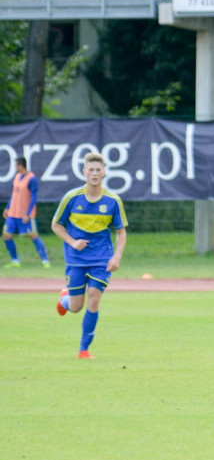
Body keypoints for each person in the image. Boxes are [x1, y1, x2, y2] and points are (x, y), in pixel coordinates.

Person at [51, 152, 128, 359]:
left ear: (104, 173)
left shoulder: (112, 201)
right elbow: (56, 225)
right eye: (91, 170)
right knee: (76, 307)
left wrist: (117, 257)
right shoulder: (72, 198)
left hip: (101, 260)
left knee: (94, 300)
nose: (94, 173)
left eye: (98, 170)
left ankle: (83, 350)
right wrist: (72, 242)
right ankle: (64, 299)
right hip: (76, 260)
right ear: (84, 172)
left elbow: (121, 232)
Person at [3, 156, 51, 269]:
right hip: (12, 214)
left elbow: (33, 198)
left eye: (16, 165)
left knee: (33, 236)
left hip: (24, 215)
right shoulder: (17, 177)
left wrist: (28, 214)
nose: (15, 167)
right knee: (6, 236)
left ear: (20, 165)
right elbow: (14, 195)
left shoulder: (31, 179)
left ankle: (45, 260)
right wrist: (7, 207)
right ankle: (15, 261)